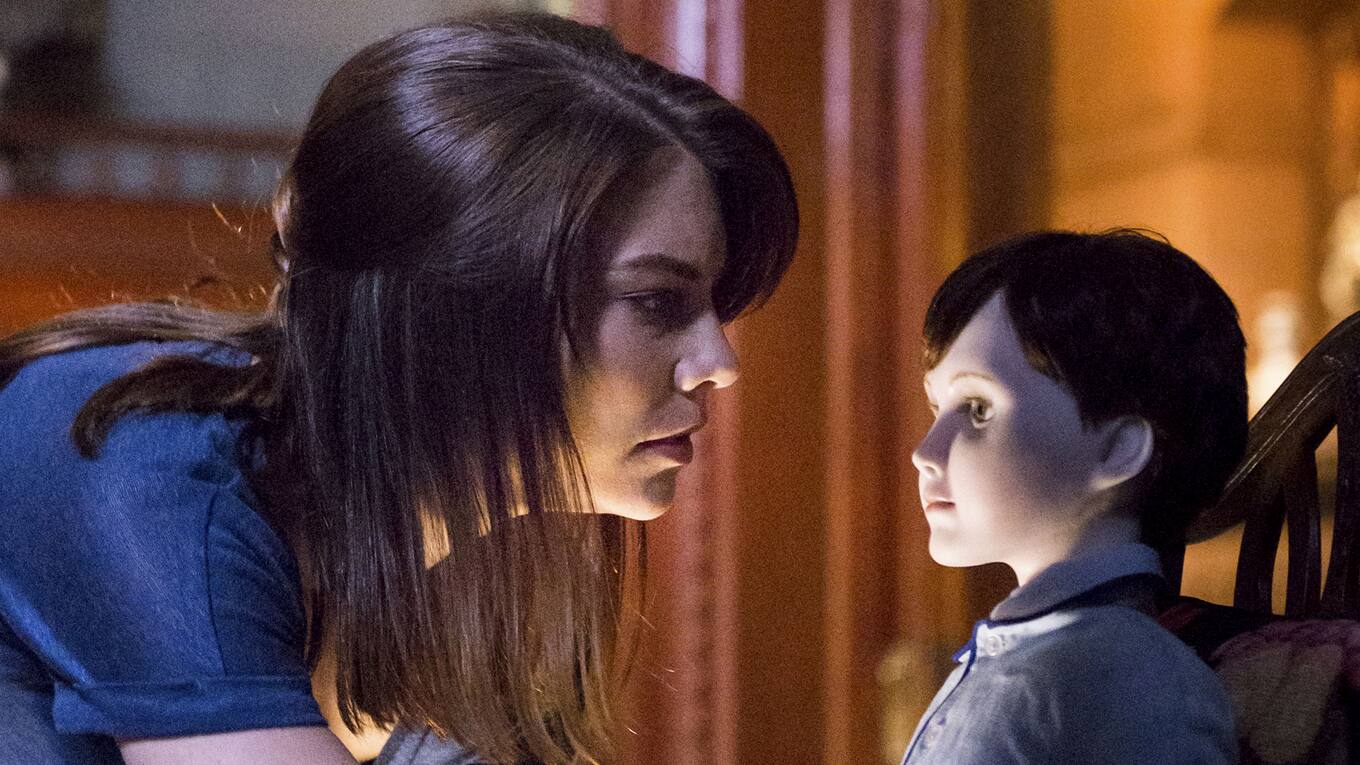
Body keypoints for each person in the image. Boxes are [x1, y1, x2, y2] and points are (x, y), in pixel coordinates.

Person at [0, 13, 797, 765]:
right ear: (462, 304)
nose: (719, 361)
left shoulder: (457, 569)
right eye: (657, 301)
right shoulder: (126, 450)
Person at [903, 229, 1242, 764]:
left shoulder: (1132, 679)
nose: (925, 451)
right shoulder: (1022, 653)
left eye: (977, 409)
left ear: (1118, 448)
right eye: (935, 408)